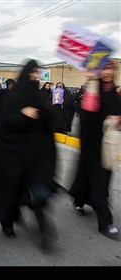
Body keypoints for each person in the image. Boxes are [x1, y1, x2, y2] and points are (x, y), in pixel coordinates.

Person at [0, 60, 58, 250]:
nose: (35, 76)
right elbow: (4, 123)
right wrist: (23, 114)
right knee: (10, 192)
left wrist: (42, 113)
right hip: (11, 156)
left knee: (37, 196)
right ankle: (8, 223)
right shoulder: (13, 97)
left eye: (37, 73)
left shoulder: (38, 97)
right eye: (31, 73)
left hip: (34, 158)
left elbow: (50, 120)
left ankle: (44, 234)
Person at [69, 60, 121, 240]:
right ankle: (105, 222)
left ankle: (79, 199)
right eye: (105, 68)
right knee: (97, 184)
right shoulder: (93, 90)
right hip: (91, 145)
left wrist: (116, 120)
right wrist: (91, 82)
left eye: (111, 69)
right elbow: (86, 115)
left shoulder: (114, 93)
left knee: (98, 180)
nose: (108, 72)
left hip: (106, 146)